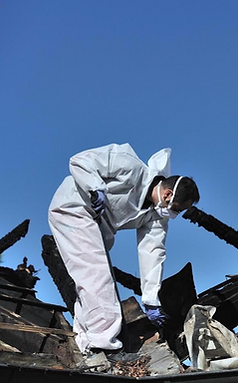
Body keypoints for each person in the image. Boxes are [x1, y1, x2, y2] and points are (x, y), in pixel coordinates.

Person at [48, 143, 200, 353]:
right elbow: (79, 160)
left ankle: (85, 343)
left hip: (99, 230)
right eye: (176, 209)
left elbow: (153, 253)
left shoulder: (156, 216)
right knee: (98, 277)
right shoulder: (128, 164)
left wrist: (150, 299)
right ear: (167, 195)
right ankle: (105, 346)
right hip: (74, 209)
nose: (174, 214)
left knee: (90, 281)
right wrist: (94, 187)